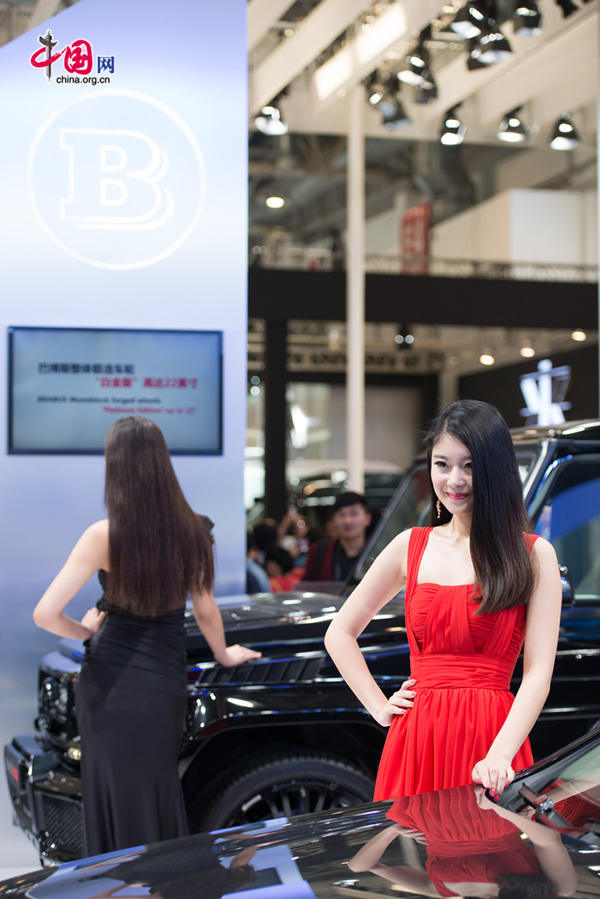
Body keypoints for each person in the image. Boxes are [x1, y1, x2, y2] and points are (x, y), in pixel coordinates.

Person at [33, 416, 260, 855]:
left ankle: (122, 882)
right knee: (157, 788)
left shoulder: (102, 535)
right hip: (162, 680)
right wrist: (225, 653)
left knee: (112, 793)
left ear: (115, 467)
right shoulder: (195, 530)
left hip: (109, 679)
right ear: (162, 464)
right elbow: (206, 607)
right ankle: (163, 881)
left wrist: (84, 630)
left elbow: (46, 614)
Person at [325, 400, 562, 798]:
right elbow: (339, 633)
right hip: (417, 738)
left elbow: (538, 673)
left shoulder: (534, 555)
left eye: (469, 465)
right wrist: (379, 707)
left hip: (492, 746)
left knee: (491, 856)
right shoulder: (410, 546)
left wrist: (500, 755)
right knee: (413, 852)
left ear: (495, 468)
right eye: (442, 464)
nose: (455, 479)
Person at [302, 491, 371, 583]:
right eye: (341, 515)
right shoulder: (318, 551)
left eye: (353, 514)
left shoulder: (377, 552)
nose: (347, 521)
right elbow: (306, 587)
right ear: (333, 521)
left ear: (367, 519)